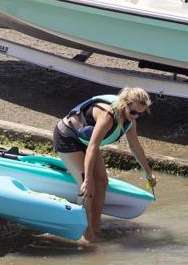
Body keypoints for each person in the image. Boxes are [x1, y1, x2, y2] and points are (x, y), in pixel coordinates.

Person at [52, 87, 156, 242]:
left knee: (102, 181)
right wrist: (86, 180)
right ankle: (87, 236)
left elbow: (135, 147)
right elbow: (93, 147)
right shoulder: (108, 116)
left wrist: (148, 173)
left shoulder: (130, 121)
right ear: (123, 104)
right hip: (67, 138)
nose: (136, 116)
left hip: (86, 142)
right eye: (133, 112)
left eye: (141, 113)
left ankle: (96, 229)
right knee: (89, 187)